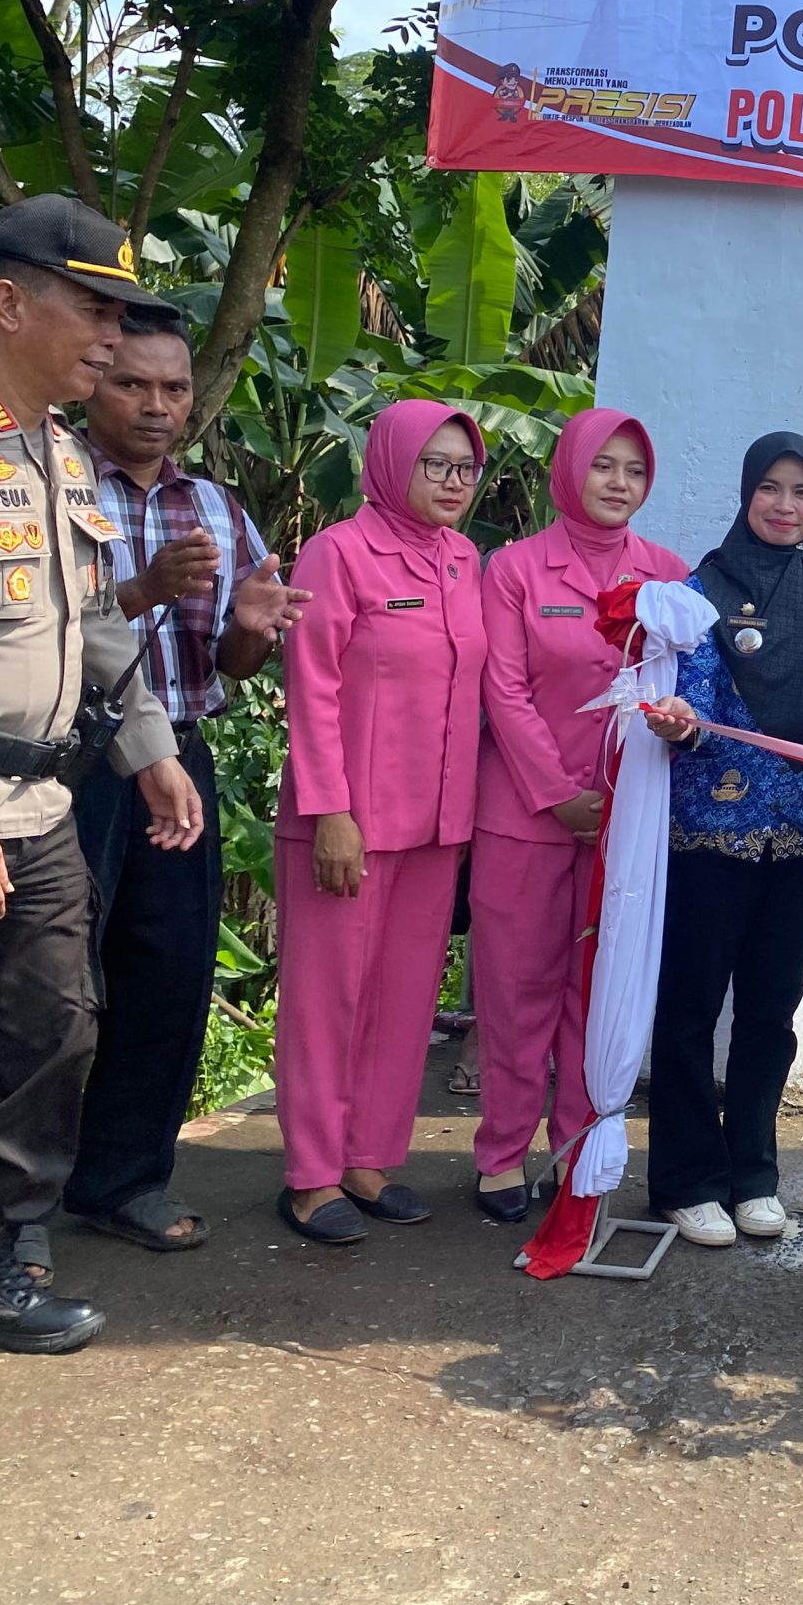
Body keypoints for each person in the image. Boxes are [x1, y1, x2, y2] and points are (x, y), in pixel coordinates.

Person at [0, 194, 203, 1388]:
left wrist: (150, 750)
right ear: (12, 303)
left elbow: (94, 627)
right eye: (95, 310)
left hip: (41, 811)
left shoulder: (58, 453)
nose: (114, 338)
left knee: (47, 1036)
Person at [56, 306, 307, 1260]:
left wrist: (249, 625)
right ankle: (10, 1201)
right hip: (69, 762)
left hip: (180, 761)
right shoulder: (52, 479)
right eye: (133, 384)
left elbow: (233, 663)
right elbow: (44, 625)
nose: (156, 406)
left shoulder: (214, 506)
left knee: (167, 973)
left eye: (174, 388)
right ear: (95, 382)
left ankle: (123, 1182)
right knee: (48, 986)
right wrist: (144, 590)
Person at [640, 432, 803, 1247]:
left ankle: (753, 1174)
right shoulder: (697, 593)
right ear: (746, 495)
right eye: (770, 487)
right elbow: (694, 703)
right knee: (691, 1010)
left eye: (802, 492)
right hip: (713, 837)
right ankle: (686, 1180)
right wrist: (683, 725)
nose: (785, 505)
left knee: (772, 1014)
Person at [273, 401, 488, 1243]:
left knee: (405, 1002)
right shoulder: (338, 553)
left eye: (465, 467)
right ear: (393, 462)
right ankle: (311, 1177)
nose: (452, 482)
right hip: (347, 823)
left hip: (436, 824)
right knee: (327, 1001)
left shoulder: (464, 560)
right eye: (435, 464)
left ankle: (368, 1161)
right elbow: (313, 688)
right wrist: (330, 811)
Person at [471, 408, 685, 1223]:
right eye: (604, 465)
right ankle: (501, 1155)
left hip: (625, 828)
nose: (619, 483)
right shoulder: (516, 570)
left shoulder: (667, 575)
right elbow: (504, 689)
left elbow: (683, 687)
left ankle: (576, 1153)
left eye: (635, 470)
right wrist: (560, 794)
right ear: (570, 470)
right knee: (515, 991)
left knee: (598, 996)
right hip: (526, 818)